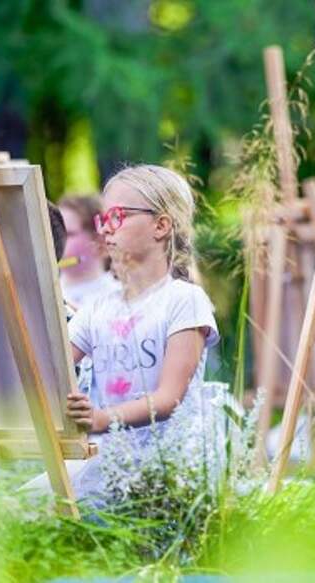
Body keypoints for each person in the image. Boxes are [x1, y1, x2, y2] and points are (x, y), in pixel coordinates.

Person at [63, 165, 219, 501]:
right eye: (102, 219)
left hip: (170, 472)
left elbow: (168, 399)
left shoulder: (184, 300)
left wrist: (100, 419)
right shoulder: (97, 308)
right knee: (20, 505)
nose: (106, 228)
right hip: (113, 465)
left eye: (117, 216)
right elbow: (51, 365)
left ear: (161, 226)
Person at [57, 195, 120, 310]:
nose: (55, 240)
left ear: (99, 240)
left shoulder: (119, 297)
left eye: (68, 234)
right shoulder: (41, 292)